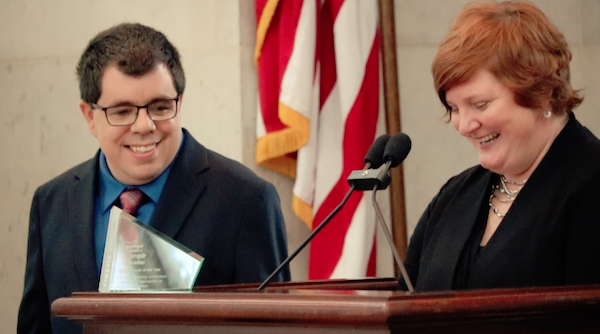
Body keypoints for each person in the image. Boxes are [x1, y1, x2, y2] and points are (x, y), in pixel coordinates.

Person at [18, 23, 291, 334]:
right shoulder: (52, 202)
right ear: (89, 116)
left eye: (160, 107)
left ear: (180, 102)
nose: (145, 125)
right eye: (122, 111)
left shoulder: (246, 201)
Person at [399, 1, 600, 292]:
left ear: (542, 91)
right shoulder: (453, 197)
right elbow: (406, 302)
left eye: (479, 104)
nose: (464, 125)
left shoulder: (591, 185)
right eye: (453, 108)